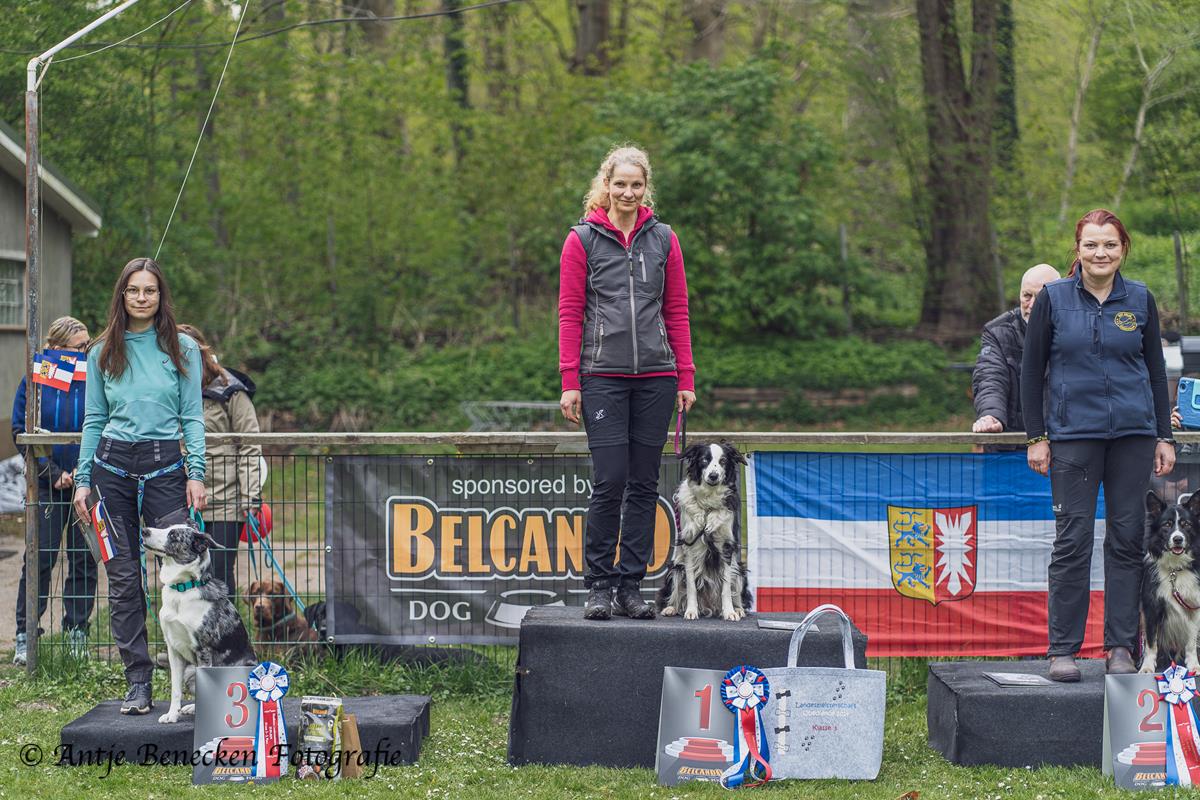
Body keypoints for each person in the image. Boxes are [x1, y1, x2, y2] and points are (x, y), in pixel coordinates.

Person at [1021, 209, 1174, 682]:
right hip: (1073, 438)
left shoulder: (1141, 299)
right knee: (1072, 542)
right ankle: (1062, 650)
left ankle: (1121, 647)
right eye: (1091, 244)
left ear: (1123, 249)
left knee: (1127, 541)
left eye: (1109, 244)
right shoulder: (1053, 299)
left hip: (1133, 439)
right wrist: (1037, 436)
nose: (1100, 253)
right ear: (1078, 249)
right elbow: (1031, 370)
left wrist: (1163, 436)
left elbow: (1155, 372)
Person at [558, 145, 696, 621]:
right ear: (607, 185)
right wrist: (570, 380)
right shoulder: (582, 240)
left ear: (645, 187)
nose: (628, 192)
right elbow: (570, 313)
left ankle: (630, 586)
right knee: (610, 480)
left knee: (643, 484)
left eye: (637, 185)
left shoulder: (664, 239)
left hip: (657, 377)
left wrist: (685, 375)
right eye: (620, 184)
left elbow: (677, 310)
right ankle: (599, 585)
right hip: (601, 377)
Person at [71, 258, 206, 715]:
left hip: (166, 469)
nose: (142, 297)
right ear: (122, 295)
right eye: (134, 290)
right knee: (124, 579)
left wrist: (196, 472)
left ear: (161, 295)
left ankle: (196, 679)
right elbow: (94, 418)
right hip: (111, 471)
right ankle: (138, 682)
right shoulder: (102, 350)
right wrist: (83, 480)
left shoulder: (182, 348)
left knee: (184, 572)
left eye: (150, 290)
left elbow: (192, 416)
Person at [11, 316, 98, 664]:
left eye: (88, 346)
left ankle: (77, 632)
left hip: (86, 483)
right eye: (79, 347)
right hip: (47, 486)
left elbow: (103, 424)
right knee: (40, 558)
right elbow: (23, 428)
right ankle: (26, 634)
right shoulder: (36, 378)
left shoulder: (94, 377)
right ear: (57, 348)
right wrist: (52, 472)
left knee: (84, 559)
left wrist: (82, 471)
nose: (85, 352)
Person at [177, 324, 262, 602]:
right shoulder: (168, 389)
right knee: (184, 574)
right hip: (181, 500)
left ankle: (225, 627)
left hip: (226, 500)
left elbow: (250, 444)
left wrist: (250, 496)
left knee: (220, 573)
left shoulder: (231, 390)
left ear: (201, 352)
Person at [972, 264, 1061, 446]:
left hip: (1064, 443)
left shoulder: (1075, 329)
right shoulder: (997, 331)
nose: (1033, 304)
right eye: (1027, 296)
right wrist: (991, 415)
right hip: (1009, 445)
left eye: (1042, 298)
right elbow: (990, 377)